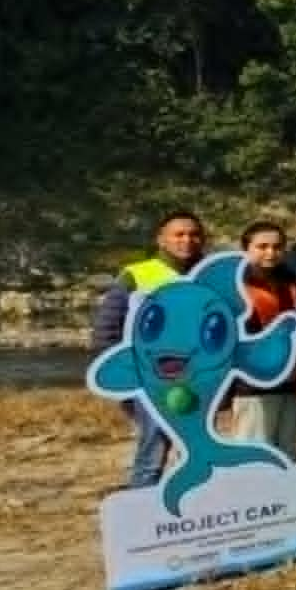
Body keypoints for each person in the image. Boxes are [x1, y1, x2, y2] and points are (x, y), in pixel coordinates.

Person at [91, 209, 206, 489]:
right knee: (152, 454)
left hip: (200, 380)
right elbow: (107, 330)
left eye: (194, 235)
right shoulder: (137, 275)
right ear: (161, 240)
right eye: (178, 234)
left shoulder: (208, 275)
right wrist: (123, 382)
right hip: (150, 382)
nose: (187, 240)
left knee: (196, 453)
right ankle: (141, 520)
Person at [230, 221, 296, 461]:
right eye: (262, 246)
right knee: (255, 460)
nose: (270, 253)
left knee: (290, 459)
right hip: (253, 390)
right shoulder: (235, 288)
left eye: (277, 247)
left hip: (293, 388)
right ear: (246, 249)